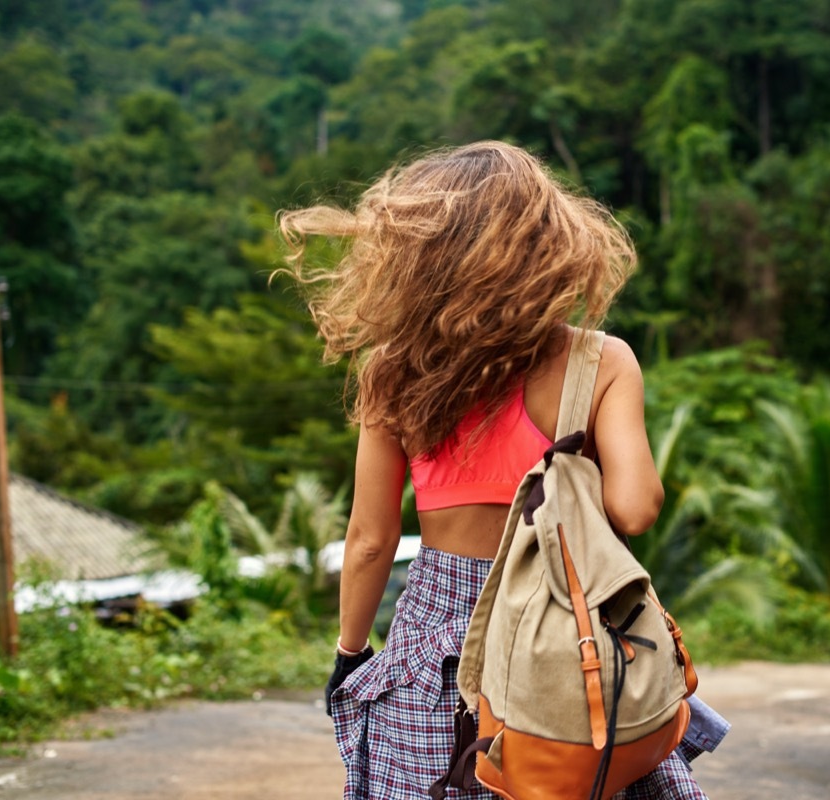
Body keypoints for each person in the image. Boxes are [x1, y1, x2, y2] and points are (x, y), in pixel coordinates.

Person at [279, 141, 718, 799]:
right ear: (551, 245)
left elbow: (370, 539)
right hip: (567, 618)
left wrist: (350, 655)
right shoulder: (602, 361)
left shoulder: (394, 369)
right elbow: (634, 510)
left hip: (434, 635)